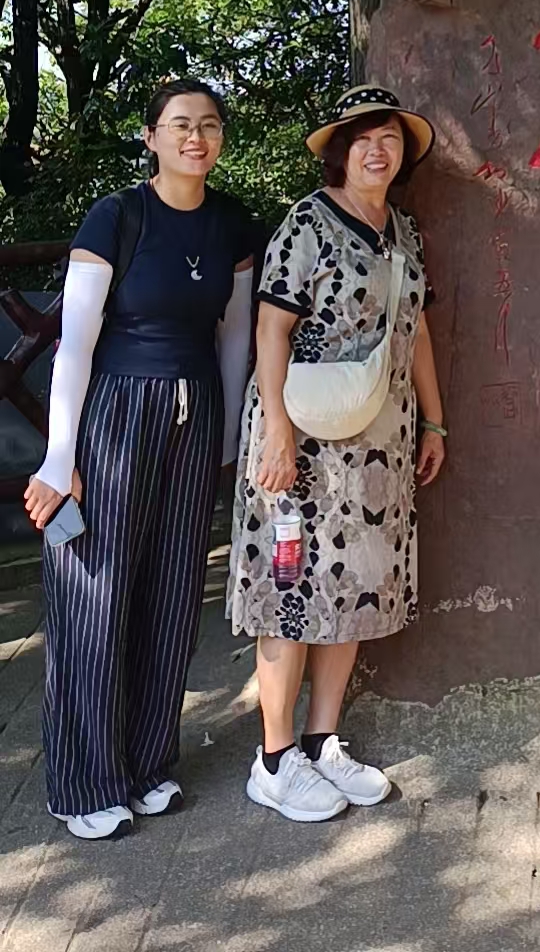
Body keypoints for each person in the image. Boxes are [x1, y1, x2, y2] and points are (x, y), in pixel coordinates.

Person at [24, 79, 256, 840]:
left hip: (197, 414)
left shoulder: (232, 225)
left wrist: (227, 440)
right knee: (96, 594)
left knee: (174, 589)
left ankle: (148, 764)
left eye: (210, 125)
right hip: (117, 412)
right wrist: (60, 457)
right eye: (180, 124)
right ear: (152, 137)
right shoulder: (117, 216)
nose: (196, 137)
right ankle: (85, 782)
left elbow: (234, 335)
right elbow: (74, 342)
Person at [228, 84, 446, 823]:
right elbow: (271, 330)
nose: (378, 151)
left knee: (351, 588)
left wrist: (435, 423)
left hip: (379, 442)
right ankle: (274, 757)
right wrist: (277, 433)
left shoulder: (405, 233)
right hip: (303, 439)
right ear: (340, 153)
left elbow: (416, 331)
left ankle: (323, 741)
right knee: (289, 588)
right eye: (363, 139)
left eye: (390, 139)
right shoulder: (307, 223)